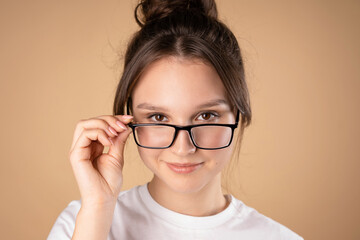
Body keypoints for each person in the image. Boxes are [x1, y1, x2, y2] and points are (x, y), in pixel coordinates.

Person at [48, 0, 303, 239]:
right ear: (128, 117)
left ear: (238, 112)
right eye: (158, 117)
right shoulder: (82, 224)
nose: (183, 148)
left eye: (206, 116)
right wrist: (99, 206)